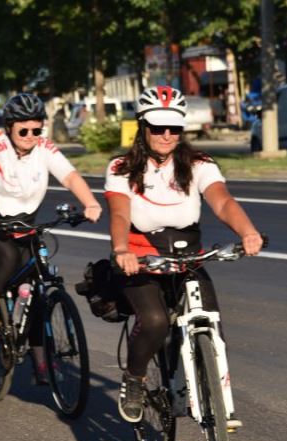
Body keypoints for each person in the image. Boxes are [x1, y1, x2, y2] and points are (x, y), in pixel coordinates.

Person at [105, 85, 263, 423]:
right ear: (142, 127)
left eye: (174, 128)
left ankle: (218, 402)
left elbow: (222, 201)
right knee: (156, 321)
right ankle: (134, 379)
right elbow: (119, 213)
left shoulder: (198, 163)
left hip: (187, 257)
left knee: (212, 322)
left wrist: (247, 232)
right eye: (158, 127)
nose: (166, 135)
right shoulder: (120, 167)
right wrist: (121, 250)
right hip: (142, 259)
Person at [0, 92, 102, 383]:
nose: (30, 135)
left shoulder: (45, 148)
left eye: (36, 129)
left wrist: (90, 202)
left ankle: (41, 358)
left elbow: (70, 177)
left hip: (24, 226)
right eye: (23, 130)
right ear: (10, 128)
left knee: (40, 280)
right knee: (8, 256)